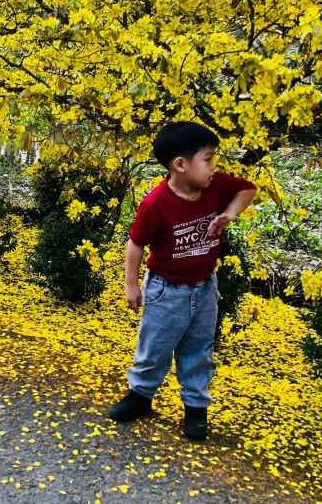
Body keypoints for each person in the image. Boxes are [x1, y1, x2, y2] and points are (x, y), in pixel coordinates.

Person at [108, 121, 256, 439]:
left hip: (204, 287)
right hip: (165, 290)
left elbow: (247, 190)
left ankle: (195, 409)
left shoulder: (216, 187)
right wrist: (131, 285)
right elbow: (136, 243)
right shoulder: (156, 203)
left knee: (199, 350)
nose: (214, 166)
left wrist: (229, 214)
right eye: (208, 159)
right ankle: (140, 397)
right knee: (154, 348)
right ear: (180, 164)